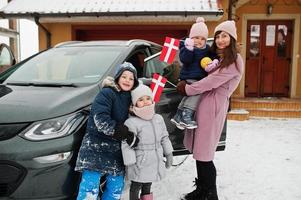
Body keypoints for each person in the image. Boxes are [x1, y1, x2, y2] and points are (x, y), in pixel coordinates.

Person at [176, 20, 244, 200]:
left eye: (225, 36)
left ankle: (211, 194)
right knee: (200, 153)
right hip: (203, 103)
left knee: (205, 154)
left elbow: (211, 82)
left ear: (232, 39)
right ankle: (201, 189)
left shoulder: (234, 60)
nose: (220, 40)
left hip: (212, 106)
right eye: (218, 36)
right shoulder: (219, 57)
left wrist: (188, 89)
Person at [75, 62, 140, 200]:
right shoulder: (107, 93)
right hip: (95, 148)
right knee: (89, 190)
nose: (127, 80)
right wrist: (121, 131)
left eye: (131, 78)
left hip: (116, 152)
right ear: (117, 78)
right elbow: (101, 120)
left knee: (116, 189)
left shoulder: (131, 98)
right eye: (124, 76)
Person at [122, 83, 174, 200]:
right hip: (139, 161)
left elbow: (164, 137)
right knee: (136, 185)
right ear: (134, 104)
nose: (145, 101)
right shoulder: (131, 122)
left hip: (154, 159)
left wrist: (169, 153)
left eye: (147, 98)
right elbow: (126, 143)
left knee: (148, 183)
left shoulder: (158, 119)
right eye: (140, 99)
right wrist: (130, 163)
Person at [171, 17, 218, 130]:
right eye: (196, 38)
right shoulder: (186, 47)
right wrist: (188, 48)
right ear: (191, 38)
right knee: (197, 94)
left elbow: (213, 57)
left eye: (202, 38)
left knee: (188, 96)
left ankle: (178, 115)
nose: (199, 41)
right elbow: (185, 59)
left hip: (200, 77)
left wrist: (214, 62)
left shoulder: (207, 49)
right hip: (189, 77)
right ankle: (187, 114)